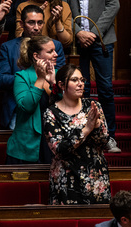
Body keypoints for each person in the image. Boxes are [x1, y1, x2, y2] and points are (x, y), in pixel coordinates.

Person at [57, 0, 121, 152]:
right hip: (76, 42)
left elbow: (113, 5)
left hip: (101, 40)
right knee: (77, 89)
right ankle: (81, 134)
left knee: (105, 89)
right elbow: (64, 8)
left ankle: (109, 136)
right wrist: (78, 33)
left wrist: (93, 32)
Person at [43, 64, 111, 205]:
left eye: (82, 80)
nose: (80, 84)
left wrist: (97, 126)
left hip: (95, 177)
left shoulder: (93, 106)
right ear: (62, 85)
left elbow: (104, 142)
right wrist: (86, 129)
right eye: (75, 80)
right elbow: (59, 149)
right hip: (66, 180)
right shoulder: (51, 113)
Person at [0, 4, 65, 129]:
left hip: (50, 105)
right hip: (19, 105)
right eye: (31, 23)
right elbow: (1, 80)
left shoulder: (55, 46)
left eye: (40, 23)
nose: (36, 27)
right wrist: (28, 78)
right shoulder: (9, 47)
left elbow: (62, 76)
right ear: (22, 24)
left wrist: (48, 79)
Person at [6, 36, 58, 164]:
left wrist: (54, 84)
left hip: (53, 140)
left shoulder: (56, 74)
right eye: (50, 51)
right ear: (36, 56)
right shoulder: (22, 77)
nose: (56, 54)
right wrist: (40, 79)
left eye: (54, 51)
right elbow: (27, 106)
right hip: (27, 145)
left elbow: (65, 107)